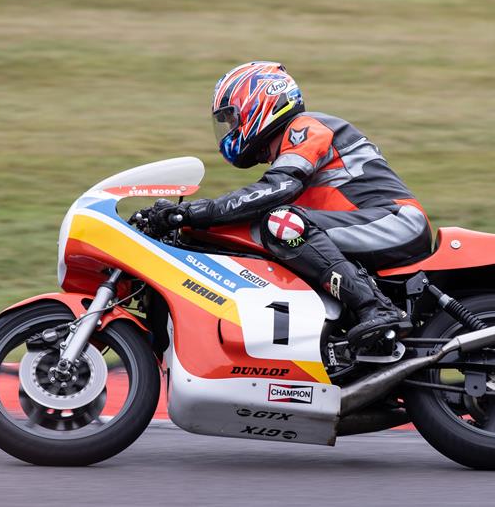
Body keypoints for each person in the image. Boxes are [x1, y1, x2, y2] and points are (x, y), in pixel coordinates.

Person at [145, 61, 432, 353]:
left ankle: (376, 308)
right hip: (370, 223)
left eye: (232, 118)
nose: (230, 129)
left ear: (261, 102)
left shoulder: (306, 128)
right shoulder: (287, 149)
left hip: (396, 220)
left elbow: (277, 188)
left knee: (282, 224)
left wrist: (190, 213)